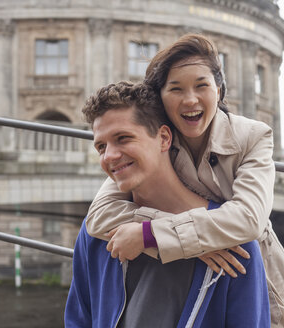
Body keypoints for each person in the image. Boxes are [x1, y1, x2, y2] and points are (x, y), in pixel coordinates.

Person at [85, 34, 284, 327]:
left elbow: (249, 219)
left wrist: (148, 235)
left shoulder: (253, 136)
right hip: (203, 276)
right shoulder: (152, 140)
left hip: (259, 279)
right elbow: (100, 215)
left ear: (218, 90)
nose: (191, 99)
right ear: (161, 99)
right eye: (176, 89)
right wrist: (196, 241)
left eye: (202, 86)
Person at [64, 81, 270, 327]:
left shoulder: (233, 242)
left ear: (163, 138)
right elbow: (78, 320)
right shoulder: (95, 232)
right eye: (101, 147)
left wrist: (151, 235)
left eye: (123, 138)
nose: (109, 156)